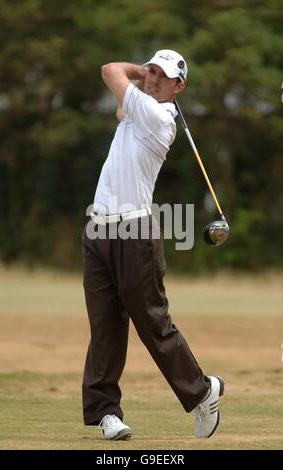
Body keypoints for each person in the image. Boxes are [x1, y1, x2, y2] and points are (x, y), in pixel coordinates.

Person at [81, 49, 224, 441]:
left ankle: (201, 392)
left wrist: (136, 69)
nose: (153, 79)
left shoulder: (157, 116)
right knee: (104, 327)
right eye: (151, 72)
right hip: (98, 229)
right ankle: (106, 412)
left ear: (179, 87)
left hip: (134, 231)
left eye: (163, 76)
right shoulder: (137, 109)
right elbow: (119, 104)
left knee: (153, 324)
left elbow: (109, 69)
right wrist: (145, 74)